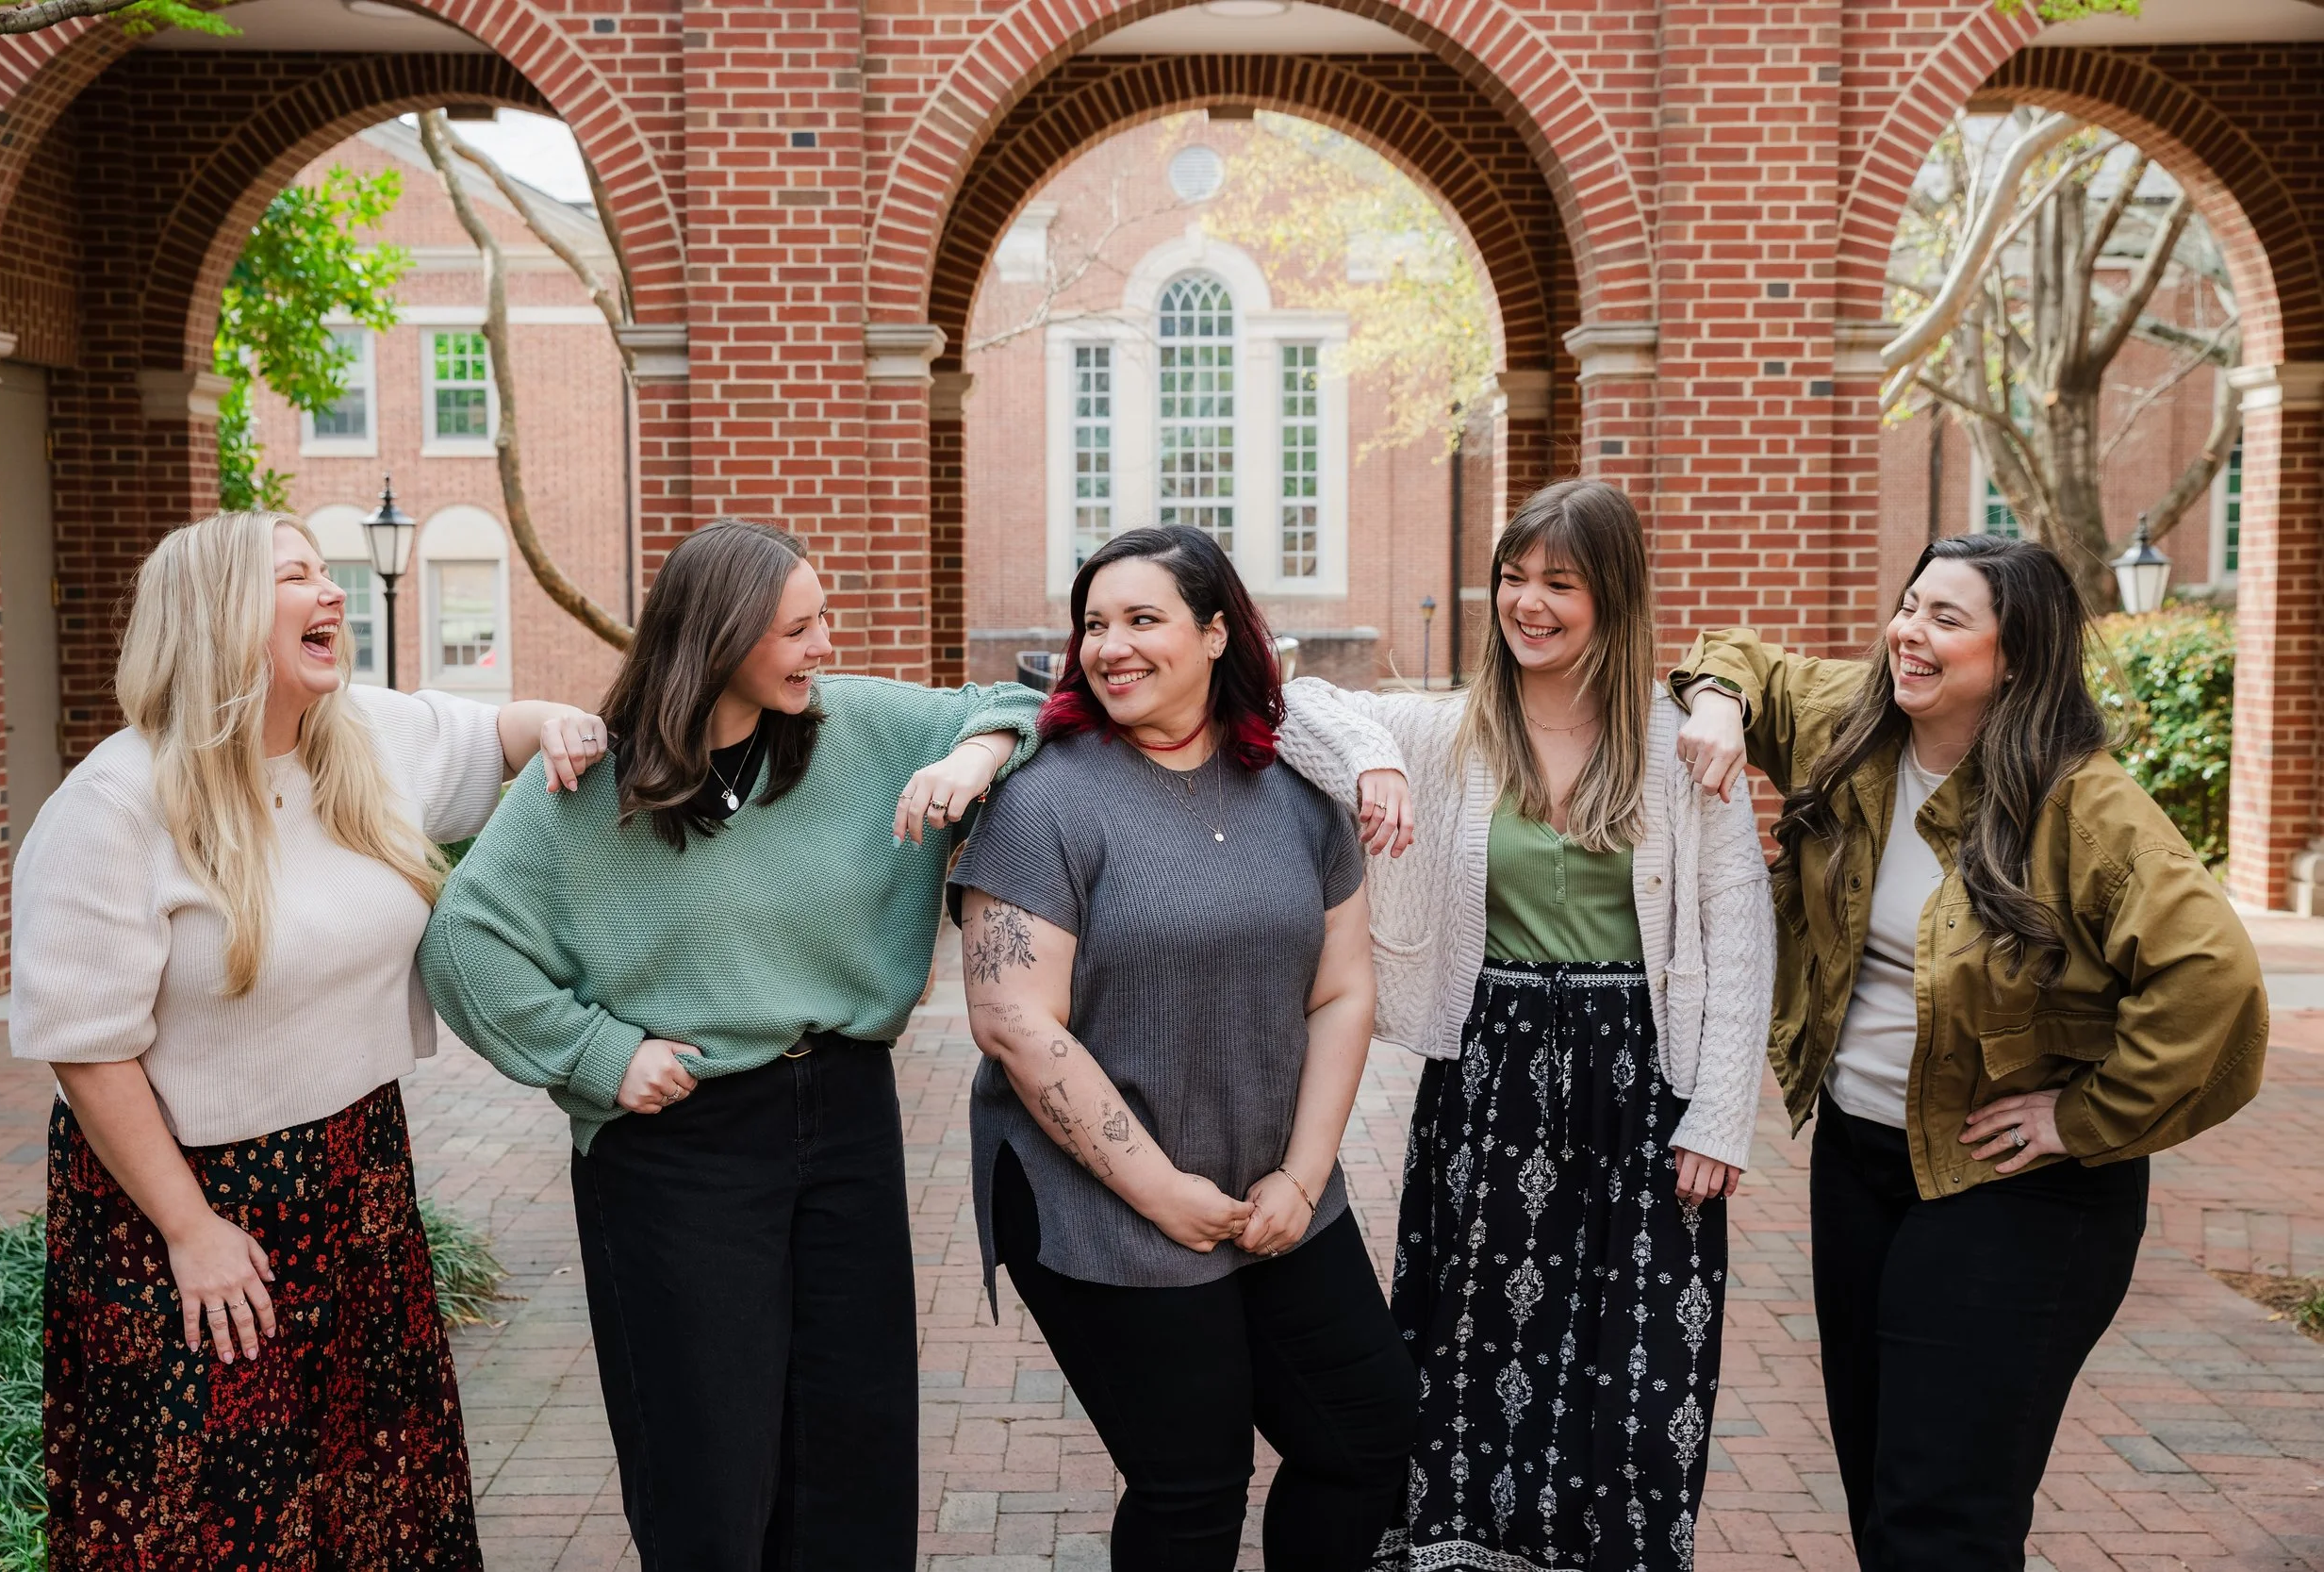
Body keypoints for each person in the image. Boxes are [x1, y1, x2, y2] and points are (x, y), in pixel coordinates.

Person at [418, 520, 1040, 1571]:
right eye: (797, 627)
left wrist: (974, 755)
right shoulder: (589, 784)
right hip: (678, 1136)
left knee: (854, 1427)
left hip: (843, 1106)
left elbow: (1022, 702)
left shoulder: (852, 726)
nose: (822, 645)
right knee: (706, 1445)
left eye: (822, 620)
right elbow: (464, 946)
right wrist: (595, 1053)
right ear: (718, 635)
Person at [11, 510, 607, 1571]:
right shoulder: (114, 804)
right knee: (212, 1512)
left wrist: (559, 722)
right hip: (182, 1200)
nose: (329, 591)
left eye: (327, 573)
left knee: (376, 1493)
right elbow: (86, 1047)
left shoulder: (359, 740)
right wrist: (191, 1230)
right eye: (296, 575)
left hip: (357, 1173)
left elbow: (498, 732)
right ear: (219, 618)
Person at [1671, 533, 2267, 1572]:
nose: (1909, 632)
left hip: (2016, 1190)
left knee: (1942, 1517)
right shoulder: (1858, 727)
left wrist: (2079, 1117)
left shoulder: (2081, 804)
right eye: (1909, 606)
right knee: (1878, 1482)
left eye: (1947, 618)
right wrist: (1719, 700)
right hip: (1859, 1163)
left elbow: (2211, 981)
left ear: (2016, 655)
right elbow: (1742, 658)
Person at [1273, 477, 1775, 1572]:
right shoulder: (1451, 730)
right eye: (1513, 576)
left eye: (1560, 582)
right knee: (1472, 1342)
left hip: (1646, 1079)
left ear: (1614, 597)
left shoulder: (1686, 746)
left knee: (1640, 1363)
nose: (1528, 602)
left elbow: (1739, 930)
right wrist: (1373, 759)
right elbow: (1283, 698)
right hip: (1489, 1074)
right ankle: (1466, 1553)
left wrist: (1721, 1114)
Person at [951, 526, 1417, 1572]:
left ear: (1216, 633)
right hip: (1100, 1199)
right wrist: (1162, 1192)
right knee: (1192, 1484)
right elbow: (1012, 1020)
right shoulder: (1044, 798)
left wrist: (1301, 1177)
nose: (1110, 645)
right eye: (1094, 624)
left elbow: (1342, 989)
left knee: (1366, 1431)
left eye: (1142, 618)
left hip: (1275, 1186)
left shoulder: (1295, 787)